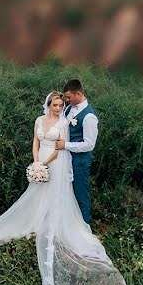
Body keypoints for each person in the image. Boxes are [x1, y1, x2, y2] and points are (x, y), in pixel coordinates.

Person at [0, 90, 134, 285]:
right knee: (35, 194)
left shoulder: (62, 123)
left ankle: (53, 222)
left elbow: (60, 148)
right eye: (56, 104)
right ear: (49, 104)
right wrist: (35, 160)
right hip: (41, 159)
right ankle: (36, 218)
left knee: (54, 197)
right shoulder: (39, 121)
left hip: (56, 162)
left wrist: (45, 163)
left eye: (62, 104)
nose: (59, 108)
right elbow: (36, 141)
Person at [56, 79, 97, 225]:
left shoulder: (89, 117)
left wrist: (65, 145)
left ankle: (84, 228)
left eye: (69, 97)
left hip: (80, 161)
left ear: (78, 94)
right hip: (65, 158)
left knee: (81, 195)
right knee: (66, 193)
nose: (66, 100)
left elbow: (89, 145)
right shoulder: (69, 109)